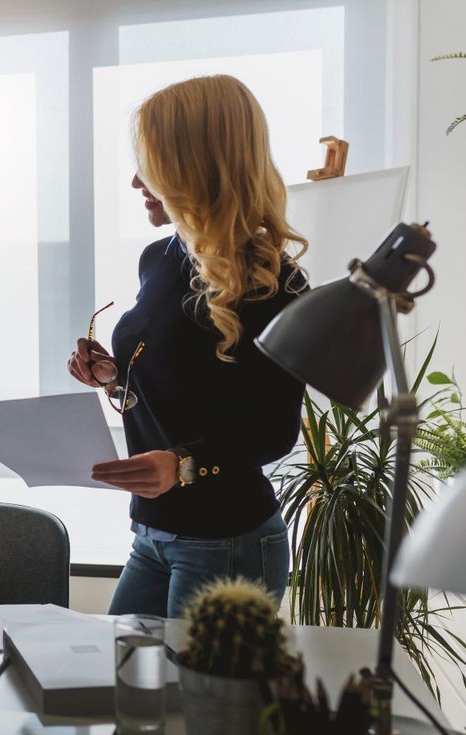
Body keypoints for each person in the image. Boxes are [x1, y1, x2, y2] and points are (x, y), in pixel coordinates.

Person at [67, 75, 308, 617]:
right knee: (122, 686)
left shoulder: (276, 284)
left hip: (228, 541)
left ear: (196, 167)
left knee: (201, 703)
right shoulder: (159, 259)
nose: (135, 181)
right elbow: (189, 385)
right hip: (154, 533)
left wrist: (183, 466)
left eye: (150, 165)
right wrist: (113, 376)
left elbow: (273, 429)